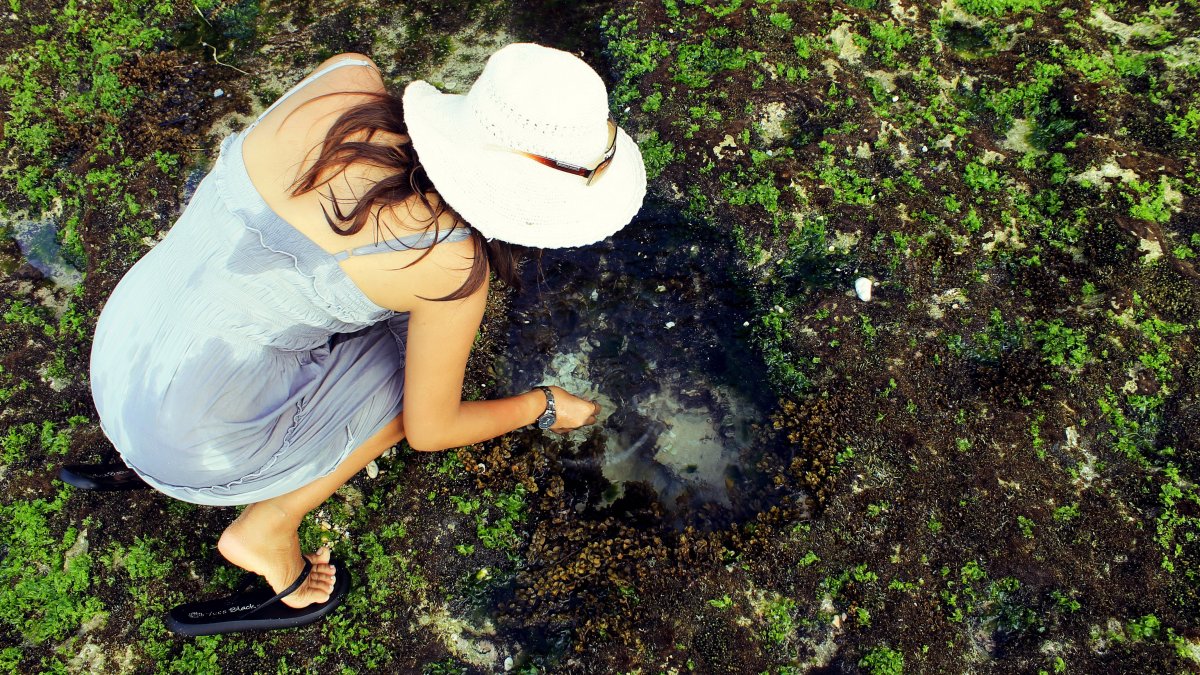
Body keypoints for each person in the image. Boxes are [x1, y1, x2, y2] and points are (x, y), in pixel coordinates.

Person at [76, 43, 646, 635]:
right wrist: (543, 404)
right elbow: (432, 430)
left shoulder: (348, 78)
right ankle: (266, 528)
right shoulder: (449, 261)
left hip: (125, 347)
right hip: (189, 441)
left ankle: (146, 449)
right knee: (414, 385)